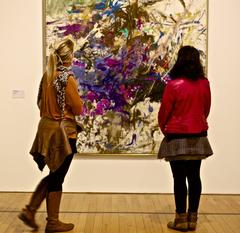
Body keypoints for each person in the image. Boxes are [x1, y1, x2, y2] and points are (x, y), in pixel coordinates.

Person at [18, 37, 83, 233]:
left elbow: (38, 102)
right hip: (63, 133)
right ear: (69, 56)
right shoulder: (67, 78)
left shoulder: (47, 75)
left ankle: (31, 211)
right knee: (57, 177)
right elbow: (78, 109)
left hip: (45, 128)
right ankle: (51, 221)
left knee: (54, 174)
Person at [158, 46, 213, 232]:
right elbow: (206, 109)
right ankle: (193, 219)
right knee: (195, 177)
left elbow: (164, 112)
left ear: (179, 61)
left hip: (176, 135)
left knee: (179, 178)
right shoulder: (204, 83)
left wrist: (165, 129)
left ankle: (180, 219)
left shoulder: (173, 85)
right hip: (198, 135)